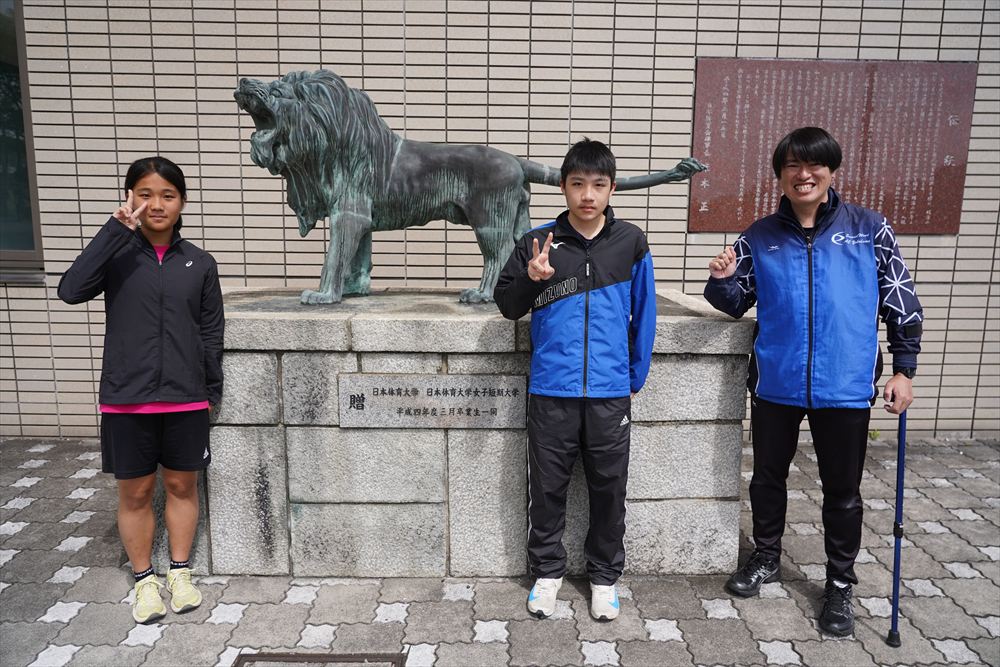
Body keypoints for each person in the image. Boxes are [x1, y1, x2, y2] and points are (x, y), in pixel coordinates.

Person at [704, 127, 923, 636]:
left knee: (842, 492)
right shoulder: (759, 236)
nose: (804, 175)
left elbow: (901, 301)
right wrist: (721, 279)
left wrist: (904, 369)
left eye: (814, 165)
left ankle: (840, 584)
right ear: (780, 176)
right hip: (776, 383)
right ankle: (766, 556)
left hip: (845, 385)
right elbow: (735, 302)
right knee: (767, 479)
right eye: (792, 167)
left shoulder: (870, 229)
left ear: (831, 170)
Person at [494, 138, 656, 622]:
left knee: (609, 489)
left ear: (611, 189)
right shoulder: (537, 242)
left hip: (609, 393)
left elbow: (644, 314)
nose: (588, 195)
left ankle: (604, 578)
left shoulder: (631, 242)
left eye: (598, 185)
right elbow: (507, 306)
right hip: (552, 390)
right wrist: (532, 278)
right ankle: (547, 573)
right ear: (563, 187)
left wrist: (633, 376)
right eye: (578, 184)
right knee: (546, 489)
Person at [58, 157, 224, 624]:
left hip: (186, 397)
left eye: (167, 195)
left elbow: (211, 332)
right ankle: (144, 580)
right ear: (130, 198)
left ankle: (180, 572)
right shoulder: (117, 255)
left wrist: (211, 389)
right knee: (135, 492)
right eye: (145, 194)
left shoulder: (199, 262)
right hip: (127, 397)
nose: (156, 204)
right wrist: (114, 230)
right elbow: (70, 290)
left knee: (181, 485)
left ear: (182, 202)